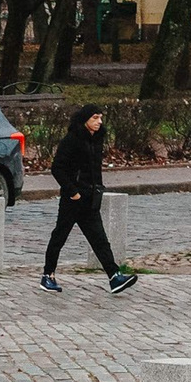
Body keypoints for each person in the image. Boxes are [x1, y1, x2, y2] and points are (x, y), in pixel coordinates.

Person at [40, 105, 135, 294]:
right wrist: (73, 192)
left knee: (99, 238)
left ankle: (114, 276)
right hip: (73, 199)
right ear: (85, 120)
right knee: (60, 236)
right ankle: (47, 275)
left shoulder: (96, 140)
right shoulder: (72, 140)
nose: (99, 122)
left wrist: (97, 189)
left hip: (91, 198)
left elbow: (94, 170)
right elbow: (57, 168)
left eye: (100, 117)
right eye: (95, 118)